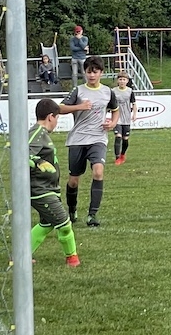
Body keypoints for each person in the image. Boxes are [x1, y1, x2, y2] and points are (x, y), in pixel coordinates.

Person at [60, 55, 119, 227]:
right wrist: (79, 106)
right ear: (85, 72)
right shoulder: (78, 91)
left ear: (101, 73)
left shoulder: (108, 92)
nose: (92, 75)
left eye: (95, 72)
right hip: (78, 139)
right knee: (73, 180)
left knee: (98, 172)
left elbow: (116, 110)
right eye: (88, 72)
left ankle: (92, 215)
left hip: (98, 138)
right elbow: (60, 108)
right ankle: (72, 210)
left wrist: (112, 123)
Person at [28, 98, 81, 267]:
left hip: (48, 188)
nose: (56, 122)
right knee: (64, 224)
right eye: (57, 118)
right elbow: (21, 153)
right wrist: (38, 162)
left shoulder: (42, 134)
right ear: (51, 116)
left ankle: (21, 255)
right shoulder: (37, 133)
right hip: (40, 190)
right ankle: (72, 259)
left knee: (47, 224)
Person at [112, 71, 137, 165]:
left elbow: (134, 104)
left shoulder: (130, 91)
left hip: (126, 118)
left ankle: (122, 154)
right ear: (117, 81)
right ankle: (117, 157)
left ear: (127, 81)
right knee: (118, 136)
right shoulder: (113, 91)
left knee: (125, 139)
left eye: (124, 79)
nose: (122, 81)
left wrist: (134, 114)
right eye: (120, 79)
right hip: (117, 118)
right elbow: (109, 103)